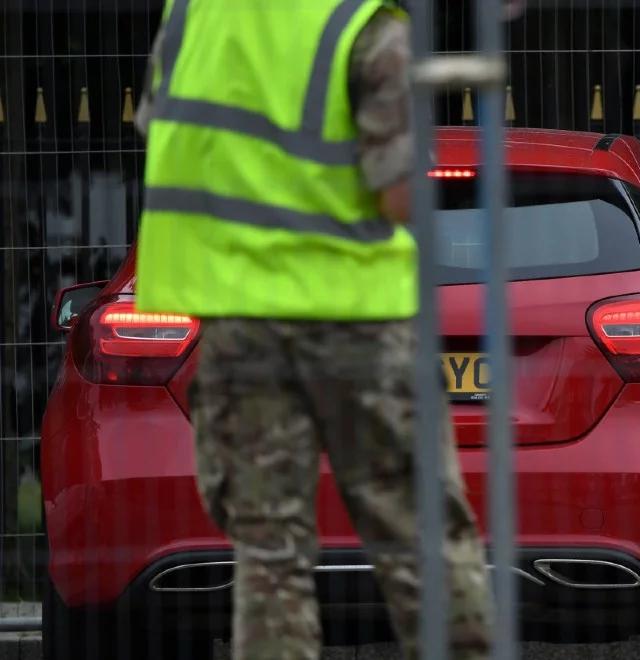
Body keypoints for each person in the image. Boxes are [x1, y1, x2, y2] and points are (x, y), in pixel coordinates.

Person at [132, 2, 492, 659]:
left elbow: (169, 137)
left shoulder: (192, 16)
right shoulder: (361, 23)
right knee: (423, 538)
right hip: (356, 317)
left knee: (270, 554)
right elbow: (398, 192)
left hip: (240, 320)